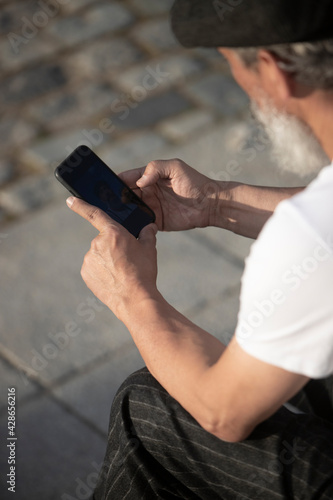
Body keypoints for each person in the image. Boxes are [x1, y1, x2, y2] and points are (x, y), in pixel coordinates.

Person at [66, 1, 333, 498]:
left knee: (146, 406)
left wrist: (132, 295)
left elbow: (222, 411)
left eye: (232, 64)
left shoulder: (311, 240)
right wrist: (215, 202)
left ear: (274, 72)